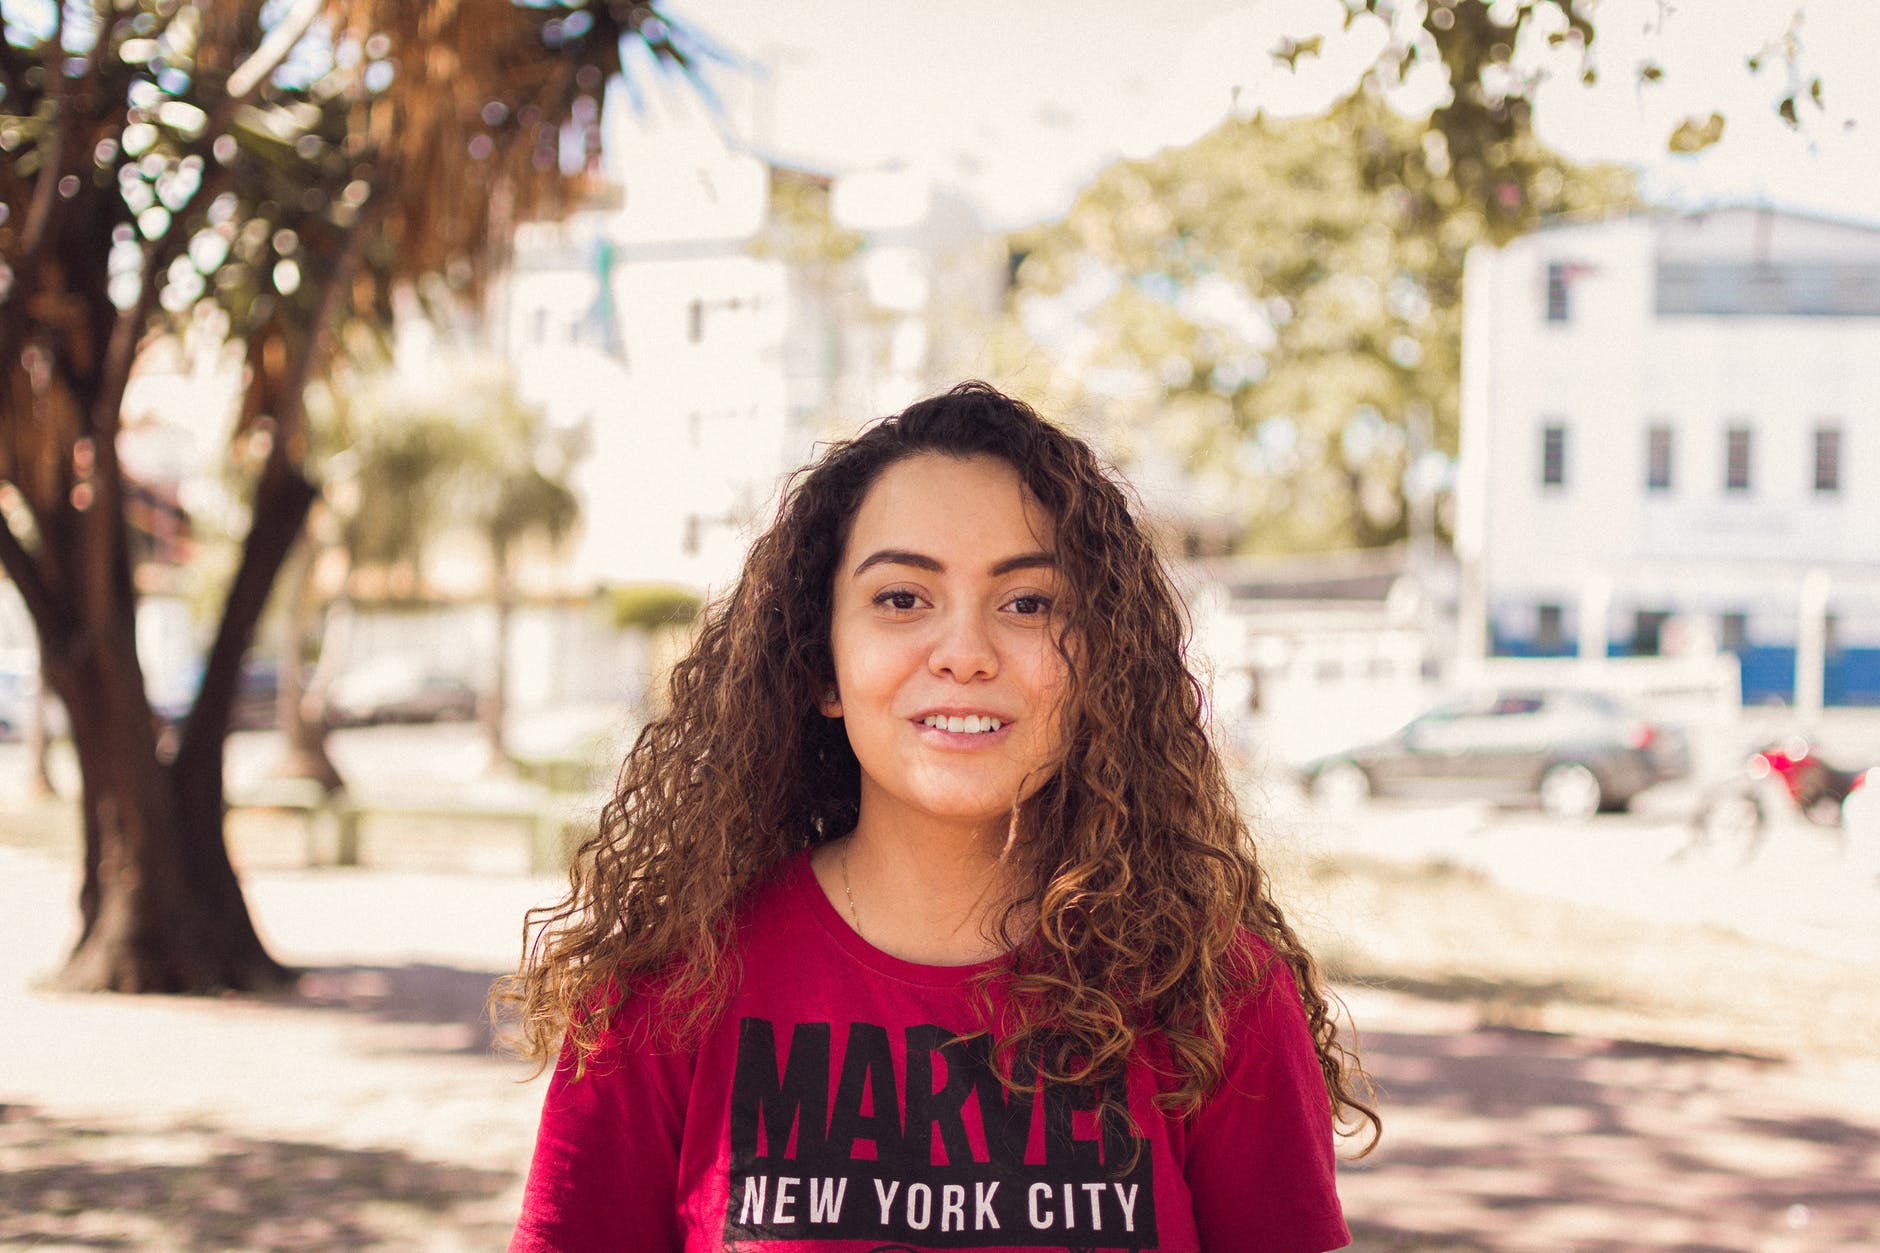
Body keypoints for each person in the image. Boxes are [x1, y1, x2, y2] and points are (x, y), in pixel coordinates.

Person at [498, 382, 1378, 1252]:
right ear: (820, 663)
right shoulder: (664, 992)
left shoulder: (1214, 997)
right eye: (901, 598)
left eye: (1029, 603)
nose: (964, 653)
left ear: (1101, 663)